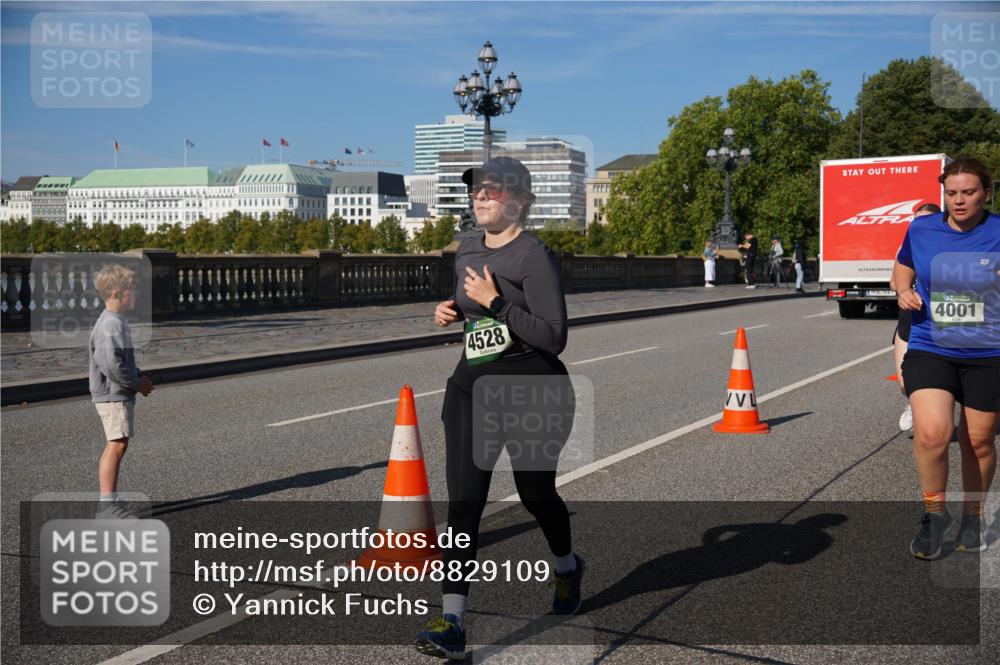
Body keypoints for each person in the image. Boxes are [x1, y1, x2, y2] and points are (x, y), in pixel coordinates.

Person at [416, 156, 583, 660]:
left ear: (520, 201)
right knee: (464, 504)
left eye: (492, 191)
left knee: (536, 494)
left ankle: (567, 565)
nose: (481, 198)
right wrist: (449, 309)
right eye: (476, 191)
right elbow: (467, 304)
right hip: (471, 391)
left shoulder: (535, 257)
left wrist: (495, 306)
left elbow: (554, 338)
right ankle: (453, 622)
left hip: (535, 391)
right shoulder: (466, 249)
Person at [893, 157, 1000, 560]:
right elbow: (902, 268)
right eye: (951, 193)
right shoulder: (922, 228)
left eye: (968, 192)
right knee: (933, 433)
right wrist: (903, 291)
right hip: (931, 343)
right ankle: (934, 515)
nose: (958, 201)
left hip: (989, 350)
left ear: (986, 193)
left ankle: (972, 514)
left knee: (978, 441)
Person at [89, 264, 153, 519]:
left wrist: (137, 374)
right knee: (116, 445)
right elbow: (110, 362)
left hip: (116, 392)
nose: (135, 295)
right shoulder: (111, 324)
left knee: (117, 444)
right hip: (113, 394)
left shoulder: (114, 321)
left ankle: (110, 499)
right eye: (132, 291)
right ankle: (107, 506)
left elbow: (118, 360)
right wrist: (136, 383)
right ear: (116, 293)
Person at [890, 203, 942, 432]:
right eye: (916, 219)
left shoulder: (949, 245)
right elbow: (894, 281)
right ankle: (911, 403)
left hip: (941, 319)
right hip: (911, 317)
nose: (920, 224)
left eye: (926, 219)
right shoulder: (906, 246)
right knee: (903, 381)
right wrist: (905, 291)